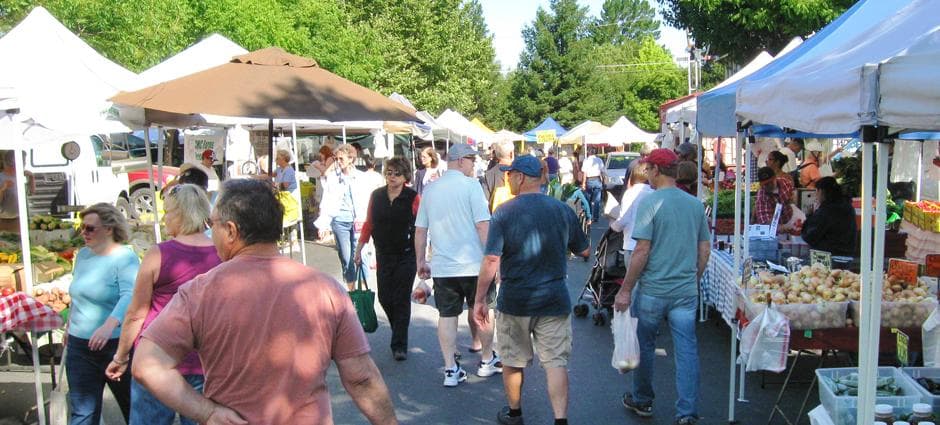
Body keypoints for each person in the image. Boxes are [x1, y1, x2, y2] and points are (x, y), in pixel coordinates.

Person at [132, 179, 398, 425]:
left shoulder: (200, 292)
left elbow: (146, 365)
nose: (210, 232)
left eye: (212, 224)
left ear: (231, 231)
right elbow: (361, 377)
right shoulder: (326, 289)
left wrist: (208, 412)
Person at [473, 155, 589, 425]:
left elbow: (491, 259)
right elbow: (584, 249)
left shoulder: (504, 212)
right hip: (554, 299)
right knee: (555, 362)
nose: (507, 178)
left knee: (513, 360)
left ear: (521, 177)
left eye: (509, 174)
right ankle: (560, 420)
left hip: (516, 300)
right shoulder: (561, 209)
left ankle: (514, 414)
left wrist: (480, 299)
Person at [105, 184, 220, 425]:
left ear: (181, 214)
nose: (165, 218)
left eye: (168, 212)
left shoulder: (159, 254)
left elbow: (136, 313)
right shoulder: (222, 254)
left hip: (157, 359)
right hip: (206, 361)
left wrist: (121, 356)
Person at [613, 149, 711, 425]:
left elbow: (642, 250)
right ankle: (687, 412)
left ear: (656, 170)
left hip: (654, 289)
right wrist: (694, 278)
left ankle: (643, 399)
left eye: (649, 170)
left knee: (645, 345)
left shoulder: (652, 203)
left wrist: (625, 289)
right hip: (684, 291)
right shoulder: (694, 204)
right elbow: (704, 250)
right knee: (687, 349)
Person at [415, 143, 500, 387]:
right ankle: (486, 360)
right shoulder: (471, 186)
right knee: (483, 310)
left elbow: (421, 231)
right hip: (474, 265)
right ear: (461, 160)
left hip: (443, 267)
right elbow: (483, 226)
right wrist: (494, 258)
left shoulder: (430, 189)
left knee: (447, 316)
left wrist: (421, 261)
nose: (474, 165)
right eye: (472, 161)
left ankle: (450, 369)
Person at [68, 203, 140, 424]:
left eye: (90, 228)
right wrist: (70, 324)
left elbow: (130, 295)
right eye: (82, 228)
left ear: (109, 229)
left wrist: (109, 325)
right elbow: (76, 293)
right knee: (83, 412)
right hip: (79, 345)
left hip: (115, 345)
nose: (84, 233)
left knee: (133, 408)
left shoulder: (125, 257)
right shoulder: (82, 256)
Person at [354, 158, 420, 361]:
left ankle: (399, 344)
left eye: (397, 173)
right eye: (389, 172)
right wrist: (359, 249)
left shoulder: (413, 197)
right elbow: (369, 223)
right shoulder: (377, 196)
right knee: (384, 297)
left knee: (400, 298)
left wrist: (424, 255)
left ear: (405, 176)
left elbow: (421, 228)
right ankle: (398, 328)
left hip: (406, 254)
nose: (392, 177)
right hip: (383, 253)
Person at [315, 144, 371, 290]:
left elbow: (368, 199)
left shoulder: (361, 177)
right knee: (346, 258)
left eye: (341, 159)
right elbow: (326, 200)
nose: (338, 162)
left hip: (359, 221)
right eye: (336, 159)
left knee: (362, 256)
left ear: (351, 159)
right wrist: (324, 225)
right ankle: (351, 290)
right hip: (339, 220)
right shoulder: (333, 177)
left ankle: (364, 289)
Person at [610, 161, 654, 273]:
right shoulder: (654, 193)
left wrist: (613, 225)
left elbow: (624, 219)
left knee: (633, 283)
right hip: (652, 246)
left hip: (632, 244)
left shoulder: (630, 193)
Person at [801, 176, 857, 256]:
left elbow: (810, 236)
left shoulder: (826, 210)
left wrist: (810, 216)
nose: (815, 195)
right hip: (848, 254)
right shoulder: (847, 206)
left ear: (821, 191)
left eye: (816, 191)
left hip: (829, 256)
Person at [481, 141, 515, 211]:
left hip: (494, 216)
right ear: (511, 154)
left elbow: (484, 200)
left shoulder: (488, 174)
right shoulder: (517, 173)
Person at [580, 148, 606, 223]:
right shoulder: (599, 160)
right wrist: (603, 181)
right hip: (597, 180)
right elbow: (603, 172)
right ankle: (596, 217)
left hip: (589, 180)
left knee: (588, 199)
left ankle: (589, 216)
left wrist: (583, 183)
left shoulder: (586, 160)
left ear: (589, 153)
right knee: (597, 200)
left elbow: (584, 173)